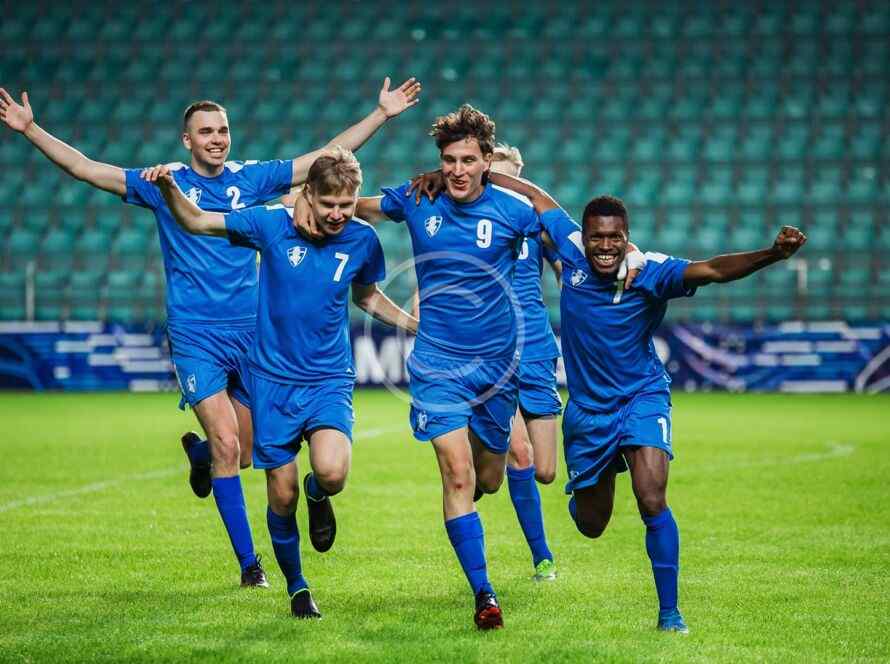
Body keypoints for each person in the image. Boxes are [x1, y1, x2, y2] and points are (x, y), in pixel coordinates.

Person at [0, 79, 421, 588]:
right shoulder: (164, 183)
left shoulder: (252, 178)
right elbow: (87, 168)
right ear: (187, 140)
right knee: (227, 441)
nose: (217, 139)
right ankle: (250, 565)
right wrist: (31, 130)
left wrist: (381, 114)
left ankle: (200, 457)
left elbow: (324, 161)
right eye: (206, 132)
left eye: (222, 130)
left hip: (254, 334)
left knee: (240, 453)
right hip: (196, 334)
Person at [479, 174, 807, 634]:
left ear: (627, 236)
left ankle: (670, 613)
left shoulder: (651, 270)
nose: (606, 246)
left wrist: (772, 254)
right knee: (591, 524)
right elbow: (535, 196)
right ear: (584, 237)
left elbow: (713, 270)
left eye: (615, 237)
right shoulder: (569, 250)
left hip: (641, 397)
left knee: (652, 498)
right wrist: (479, 172)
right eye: (597, 237)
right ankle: (593, 485)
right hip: (588, 413)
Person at [145, 146, 417, 618]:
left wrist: (414, 325)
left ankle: (319, 494)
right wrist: (169, 187)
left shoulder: (362, 240)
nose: (338, 214)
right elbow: (197, 220)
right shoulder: (270, 224)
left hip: (328, 379)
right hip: (271, 382)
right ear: (308, 193)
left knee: (331, 473)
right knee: (282, 494)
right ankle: (297, 587)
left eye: (346, 204)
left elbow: (368, 297)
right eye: (329, 203)